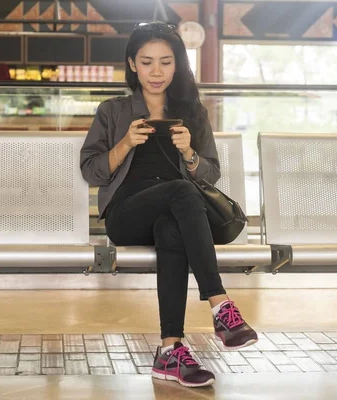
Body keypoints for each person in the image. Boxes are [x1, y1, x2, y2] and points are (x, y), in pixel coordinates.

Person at [80, 22, 257, 388]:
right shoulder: (113, 111)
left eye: (165, 62)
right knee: (180, 192)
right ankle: (220, 304)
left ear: (177, 65)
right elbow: (92, 171)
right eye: (146, 62)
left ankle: (170, 351)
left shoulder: (192, 112)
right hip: (126, 214)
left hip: (176, 213)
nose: (156, 71)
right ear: (132, 64)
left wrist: (190, 152)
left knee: (171, 227)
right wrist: (125, 143)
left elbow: (210, 173)